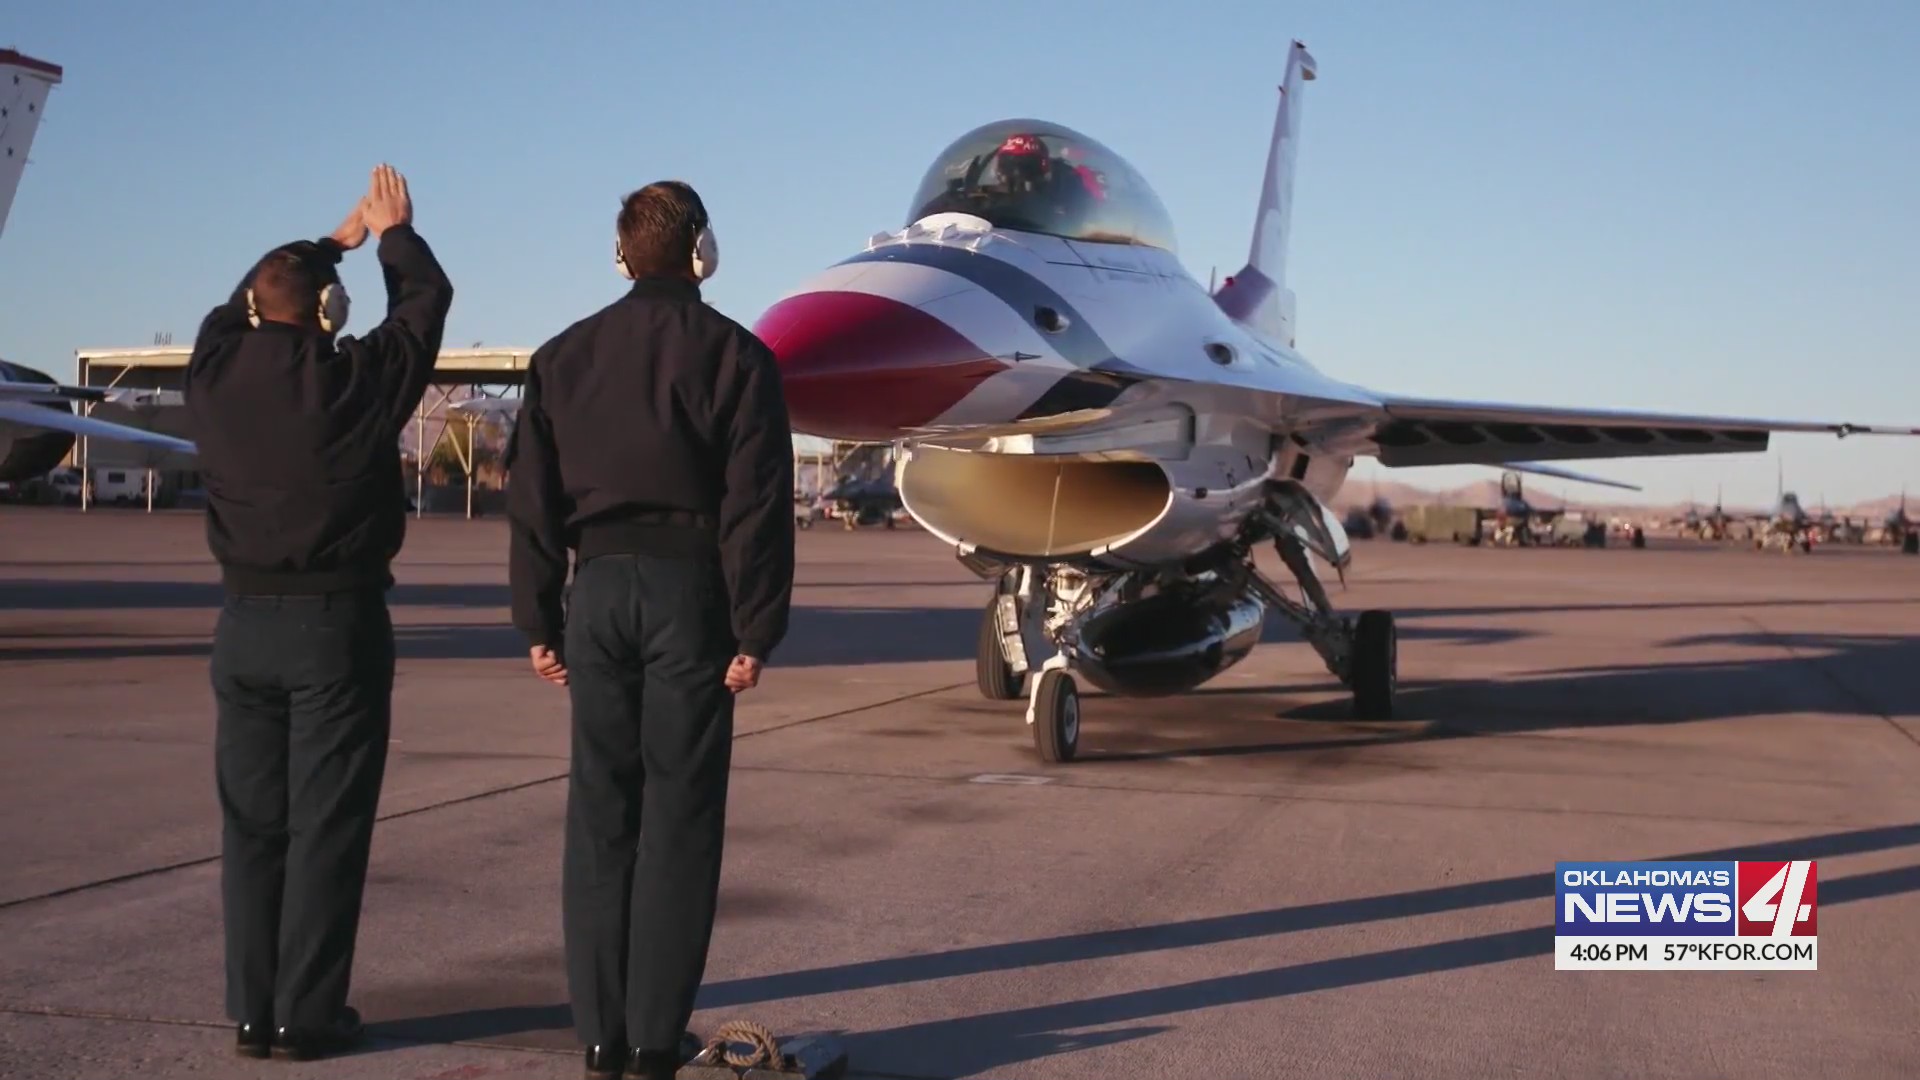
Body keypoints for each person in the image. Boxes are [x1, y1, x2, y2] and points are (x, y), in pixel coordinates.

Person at [504, 179, 795, 1080]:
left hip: (595, 595)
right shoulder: (738, 358)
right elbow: (757, 507)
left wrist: (537, 615)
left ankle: (598, 1032)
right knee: (680, 814)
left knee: (601, 812)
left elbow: (532, 504)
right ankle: (652, 1037)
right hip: (690, 594)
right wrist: (756, 628)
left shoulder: (562, 356)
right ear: (703, 252)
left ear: (620, 254)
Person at [182, 164, 454, 1061]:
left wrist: (324, 247)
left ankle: (253, 1011)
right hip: (335, 624)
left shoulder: (215, 372)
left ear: (257, 310)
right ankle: (309, 1013)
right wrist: (389, 236)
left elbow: (237, 305)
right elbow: (425, 300)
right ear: (331, 315)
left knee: (253, 826)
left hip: (243, 625)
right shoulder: (357, 382)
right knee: (326, 824)